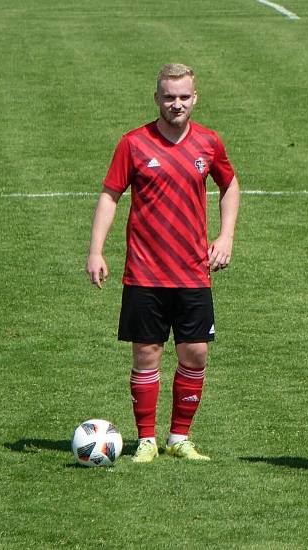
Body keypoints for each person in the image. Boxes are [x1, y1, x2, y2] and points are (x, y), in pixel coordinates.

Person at [85, 63, 241, 463]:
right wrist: (96, 250)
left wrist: (225, 236)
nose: (176, 104)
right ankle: (147, 440)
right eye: (169, 97)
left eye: (184, 97)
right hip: (145, 272)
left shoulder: (209, 143)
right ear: (156, 98)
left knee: (196, 355)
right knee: (146, 355)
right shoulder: (134, 143)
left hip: (192, 273)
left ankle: (179, 438)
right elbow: (110, 195)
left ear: (195, 98)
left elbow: (229, 185)